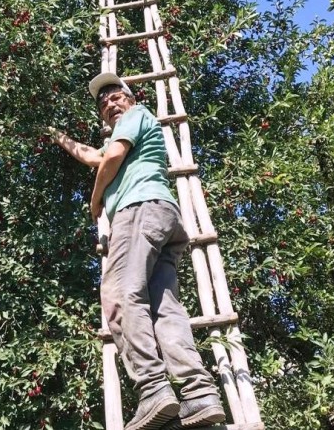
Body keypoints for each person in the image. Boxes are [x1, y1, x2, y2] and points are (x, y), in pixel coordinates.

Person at [47, 72, 226, 430]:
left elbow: (111, 157)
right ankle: (199, 393)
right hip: (162, 217)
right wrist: (56, 136)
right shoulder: (129, 131)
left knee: (120, 297)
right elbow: (94, 156)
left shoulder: (136, 115)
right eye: (103, 102)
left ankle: (153, 389)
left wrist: (95, 200)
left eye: (115, 96)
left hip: (138, 212)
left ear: (129, 99)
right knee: (164, 308)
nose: (109, 103)